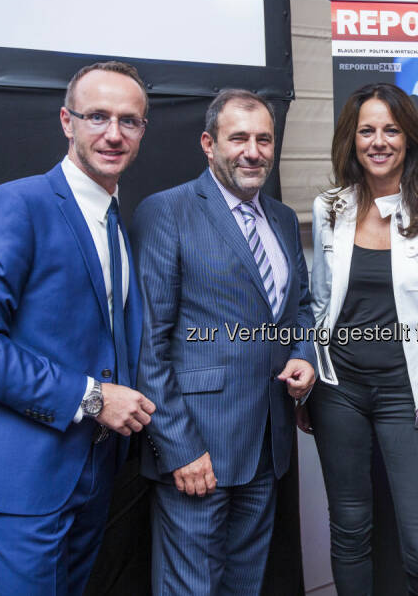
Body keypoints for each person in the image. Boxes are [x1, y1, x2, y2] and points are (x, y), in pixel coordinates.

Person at [0, 61, 157, 595]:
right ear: (66, 121)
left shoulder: (117, 221)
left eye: (129, 120)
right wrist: (95, 397)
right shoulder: (15, 205)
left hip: (95, 472)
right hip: (24, 480)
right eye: (97, 116)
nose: (113, 133)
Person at [132, 89, 316, 595]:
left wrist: (302, 354)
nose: (252, 151)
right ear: (209, 143)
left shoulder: (279, 218)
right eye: (238, 138)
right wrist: (178, 447)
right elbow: (149, 343)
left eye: (263, 139)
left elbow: (299, 309)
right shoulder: (166, 212)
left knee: (244, 585)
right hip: (198, 449)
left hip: (265, 445)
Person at [305, 82, 418, 595]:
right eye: (367, 130)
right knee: (349, 531)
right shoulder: (328, 207)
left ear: (410, 139)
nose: (379, 141)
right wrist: (310, 376)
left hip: (411, 395)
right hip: (339, 392)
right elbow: (319, 303)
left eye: (391, 130)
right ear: (352, 141)